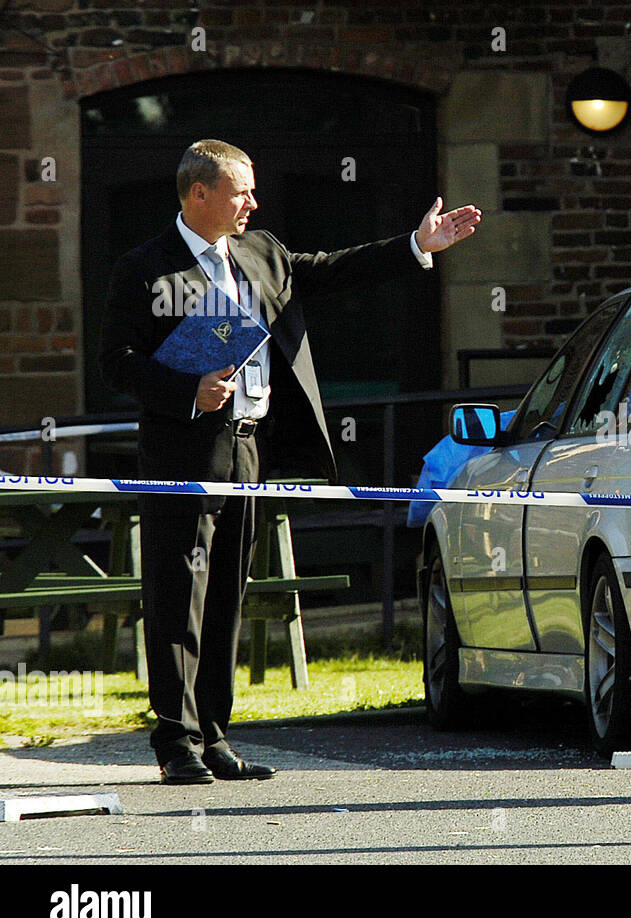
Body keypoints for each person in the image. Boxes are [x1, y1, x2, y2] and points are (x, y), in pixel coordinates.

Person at [100, 140, 481, 784]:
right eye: (241, 192)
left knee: (226, 593)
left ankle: (215, 735)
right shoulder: (145, 269)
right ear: (199, 193)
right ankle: (175, 741)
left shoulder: (262, 252)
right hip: (183, 449)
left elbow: (334, 269)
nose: (252, 203)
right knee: (178, 594)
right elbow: (117, 362)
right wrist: (187, 390)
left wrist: (418, 245)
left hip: (250, 445)